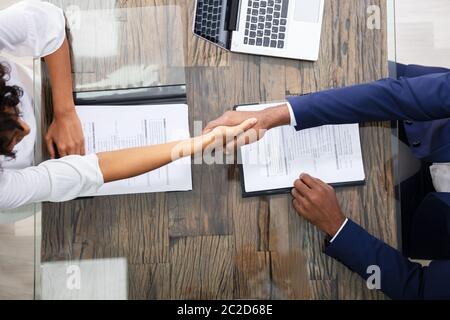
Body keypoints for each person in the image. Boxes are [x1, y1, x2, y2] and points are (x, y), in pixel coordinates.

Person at [204, 63, 450, 299]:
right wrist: (270, 116)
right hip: (426, 123)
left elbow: (420, 290)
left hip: (429, 219)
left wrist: (338, 226)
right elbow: (394, 96)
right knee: (328, 72)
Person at [0, 0, 257, 210]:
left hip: (45, 90)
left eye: (13, 108)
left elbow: (47, 21)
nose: (27, 129)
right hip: (29, 178)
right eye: (10, 140)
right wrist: (199, 143)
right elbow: (90, 171)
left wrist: (65, 112)